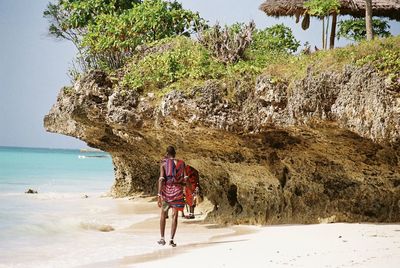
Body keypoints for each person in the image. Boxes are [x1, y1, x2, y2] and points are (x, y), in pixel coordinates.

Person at [157, 145, 187, 247]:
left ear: (167, 153)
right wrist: (183, 186)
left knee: (163, 214)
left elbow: (161, 179)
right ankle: (171, 240)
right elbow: (184, 179)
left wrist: (159, 195)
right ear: (175, 154)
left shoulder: (164, 164)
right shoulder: (181, 163)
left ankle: (162, 238)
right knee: (175, 216)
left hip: (167, 192)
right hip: (178, 192)